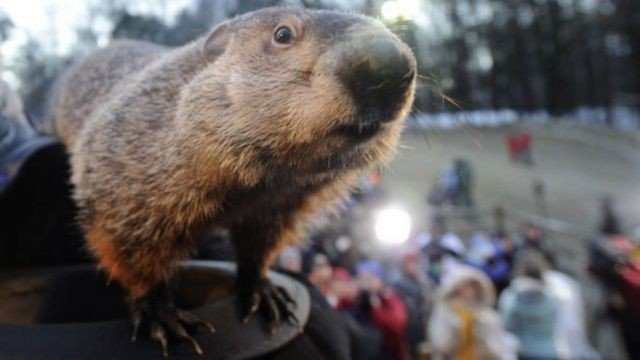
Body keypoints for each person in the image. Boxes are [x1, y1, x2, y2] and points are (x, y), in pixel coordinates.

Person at [428, 266, 516, 360]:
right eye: (465, 286)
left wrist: (482, 335)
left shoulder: (486, 313)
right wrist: (458, 331)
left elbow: (497, 347)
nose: (469, 290)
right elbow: (440, 343)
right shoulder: (446, 310)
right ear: (457, 287)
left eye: (472, 286)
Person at [499, 251, 561, 360]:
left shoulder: (512, 295)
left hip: (526, 351)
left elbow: (507, 324)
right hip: (550, 350)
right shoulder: (552, 295)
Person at [351, 260, 408, 360]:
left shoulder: (388, 298)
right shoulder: (356, 301)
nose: (366, 284)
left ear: (379, 279)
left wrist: (377, 308)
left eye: (370, 279)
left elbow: (398, 325)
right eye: (363, 279)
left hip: (388, 352)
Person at [392, 251, 433, 358]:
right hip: (408, 328)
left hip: (425, 326)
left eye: (415, 264)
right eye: (409, 264)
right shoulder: (398, 285)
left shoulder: (426, 283)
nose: (413, 267)